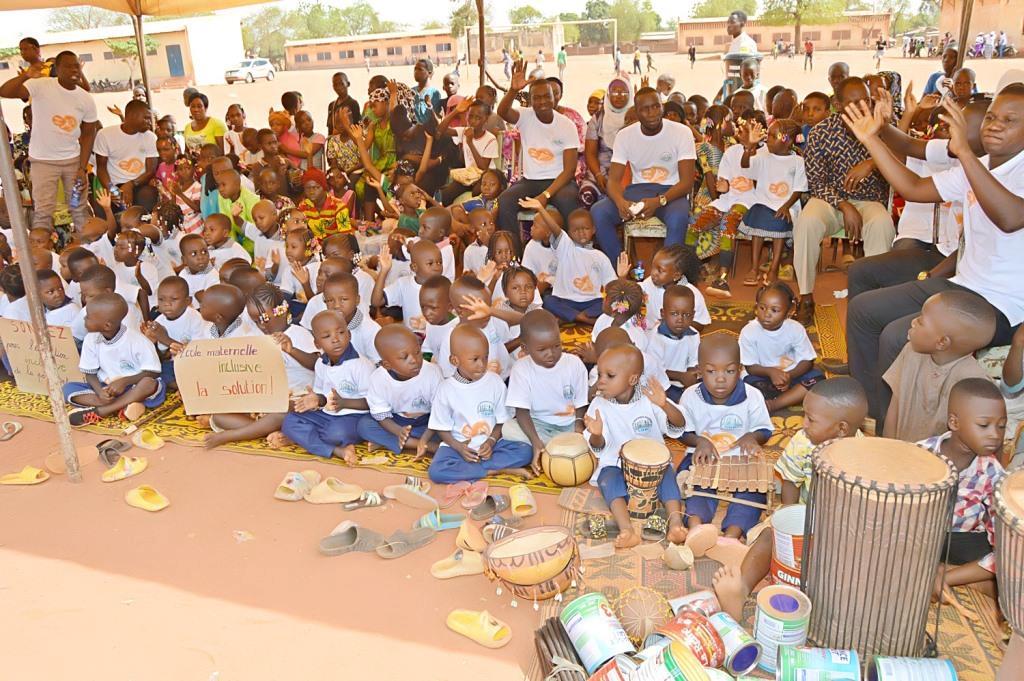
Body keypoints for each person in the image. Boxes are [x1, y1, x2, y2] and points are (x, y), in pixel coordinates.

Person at [844, 87, 1024, 431]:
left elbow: (1011, 217)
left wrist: (965, 155)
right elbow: (913, 187)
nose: (995, 125)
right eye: (992, 117)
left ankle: (889, 430)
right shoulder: (981, 165)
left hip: (1005, 305)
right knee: (864, 310)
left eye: (1010, 121)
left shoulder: (1000, 168)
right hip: (964, 285)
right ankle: (869, 413)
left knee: (899, 335)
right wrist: (872, 140)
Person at [712, 377, 868, 621]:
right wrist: (789, 515)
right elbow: (790, 481)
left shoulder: (864, 454)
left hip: (844, 527)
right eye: (804, 414)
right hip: (803, 515)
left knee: (859, 558)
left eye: (811, 419)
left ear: (842, 429)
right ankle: (740, 588)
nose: (803, 423)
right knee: (769, 536)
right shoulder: (803, 442)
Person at [792, 77, 895, 324]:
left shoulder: (882, 128)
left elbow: (901, 158)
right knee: (806, 223)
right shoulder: (820, 132)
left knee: (882, 224)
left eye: (865, 101)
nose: (861, 107)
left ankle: (872, 301)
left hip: (870, 201)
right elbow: (816, 183)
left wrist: (872, 162)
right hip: (830, 200)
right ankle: (806, 297)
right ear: (837, 104)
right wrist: (844, 205)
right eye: (852, 102)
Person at [586, 343, 687, 548]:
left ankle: (675, 524)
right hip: (615, 462)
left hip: (652, 467)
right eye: (599, 375)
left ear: (632, 379)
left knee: (667, 475)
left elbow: (679, 425)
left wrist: (665, 405)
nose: (601, 382)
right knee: (608, 479)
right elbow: (598, 446)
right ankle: (627, 530)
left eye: (610, 376)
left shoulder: (650, 399)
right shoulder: (599, 404)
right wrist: (596, 435)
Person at [679, 334, 772, 540]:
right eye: (711, 371)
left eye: (729, 371)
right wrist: (699, 441)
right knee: (695, 488)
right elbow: (682, 433)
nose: (720, 378)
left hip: (742, 459)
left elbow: (765, 430)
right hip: (704, 457)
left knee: (754, 492)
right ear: (699, 371)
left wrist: (752, 436)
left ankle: (732, 535)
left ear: (740, 371)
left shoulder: (752, 395)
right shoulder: (690, 396)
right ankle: (696, 529)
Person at [920, 378, 1006, 597]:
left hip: (962, 541)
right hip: (918, 535)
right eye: (984, 425)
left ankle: (944, 574)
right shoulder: (920, 455)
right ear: (954, 423)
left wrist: (945, 578)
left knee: (1009, 579)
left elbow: (1004, 550)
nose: (995, 435)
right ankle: (933, 570)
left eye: (1001, 426)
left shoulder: (994, 476)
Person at [591, 87, 696, 262]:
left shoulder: (681, 132)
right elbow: (613, 181)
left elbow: (686, 182)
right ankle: (620, 268)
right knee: (599, 211)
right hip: (637, 191)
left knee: (678, 217)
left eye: (656, 106)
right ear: (636, 112)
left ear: (662, 106)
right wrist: (620, 202)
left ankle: (668, 275)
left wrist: (659, 201)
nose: (652, 113)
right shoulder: (625, 136)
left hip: (672, 192)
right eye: (645, 109)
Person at [0, 50, 98, 231]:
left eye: (76, 66)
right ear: (57, 68)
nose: (74, 70)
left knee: (79, 209)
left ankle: (87, 249)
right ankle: (42, 255)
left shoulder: (86, 99)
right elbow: (4, 91)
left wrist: (82, 168)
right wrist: (25, 76)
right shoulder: (41, 85)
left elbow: (88, 135)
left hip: (73, 162)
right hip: (43, 162)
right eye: (68, 66)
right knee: (43, 212)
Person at [422, 324, 533, 482]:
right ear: (455, 360)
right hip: (459, 447)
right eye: (475, 359)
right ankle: (494, 470)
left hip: (492, 445)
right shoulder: (445, 390)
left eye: (485, 357)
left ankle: (474, 470)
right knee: (437, 471)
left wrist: (491, 441)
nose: (482, 365)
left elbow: (502, 422)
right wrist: (459, 447)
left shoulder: (495, 382)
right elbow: (441, 429)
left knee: (525, 451)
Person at [882, 291, 995, 440]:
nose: (913, 322)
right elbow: (895, 405)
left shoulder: (973, 383)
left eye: (921, 321)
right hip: (901, 452)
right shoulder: (911, 351)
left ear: (942, 342)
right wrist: (887, 446)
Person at [495, 61, 580, 246]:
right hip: (530, 181)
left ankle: (569, 249)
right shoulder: (525, 116)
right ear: (530, 100)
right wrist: (512, 90)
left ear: (554, 98)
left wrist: (545, 196)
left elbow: (569, 170)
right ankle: (515, 252)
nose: (542, 102)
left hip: (559, 182)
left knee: (567, 200)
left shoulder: (567, 125)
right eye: (537, 98)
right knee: (505, 200)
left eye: (546, 96)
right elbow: (502, 111)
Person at [281, 309, 373, 464]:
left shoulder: (361, 365)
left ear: (349, 334)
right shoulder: (320, 364)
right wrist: (315, 399)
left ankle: (311, 441)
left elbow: (372, 403)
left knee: (335, 434)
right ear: (317, 343)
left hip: (354, 415)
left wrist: (344, 403)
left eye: (341, 333)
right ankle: (338, 450)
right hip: (328, 415)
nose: (335, 339)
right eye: (327, 336)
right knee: (290, 422)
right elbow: (322, 398)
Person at [63, 292, 164, 426]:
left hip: (134, 386)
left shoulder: (137, 340)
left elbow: (154, 372)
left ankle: (103, 411)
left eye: (88, 317)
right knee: (67, 389)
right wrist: (100, 392)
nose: (84, 319)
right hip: (107, 389)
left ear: (107, 326)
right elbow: (90, 373)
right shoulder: (90, 339)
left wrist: (124, 381)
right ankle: (124, 405)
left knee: (149, 383)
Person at [503, 308, 589, 451]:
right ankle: (560, 448)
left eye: (556, 346)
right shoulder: (520, 369)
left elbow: (581, 403)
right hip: (537, 424)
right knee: (508, 428)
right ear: (525, 348)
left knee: (597, 430)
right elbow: (522, 412)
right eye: (542, 350)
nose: (551, 354)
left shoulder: (574, 364)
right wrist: (535, 441)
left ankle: (554, 448)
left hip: (570, 424)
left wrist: (579, 427)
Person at [357, 324, 442, 455]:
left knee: (447, 430)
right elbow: (382, 415)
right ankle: (425, 446)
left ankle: (391, 441)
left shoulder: (433, 373)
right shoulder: (378, 379)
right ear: (387, 365)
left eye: (417, 352)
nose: (414, 360)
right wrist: (398, 431)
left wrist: (426, 435)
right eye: (404, 357)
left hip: (426, 423)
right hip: (396, 422)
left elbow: (440, 413)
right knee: (364, 426)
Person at [739, 118, 806, 284]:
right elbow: (746, 166)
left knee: (780, 221)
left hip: (787, 204)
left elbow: (799, 188)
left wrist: (786, 206)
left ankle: (773, 269)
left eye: (771, 136)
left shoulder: (797, 161)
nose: (767, 139)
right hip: (764, 201)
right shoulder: (763, 156)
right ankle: (754, 267)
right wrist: (748, 149)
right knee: (758, 217)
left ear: (786, 140)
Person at [741, 282, 824, 412]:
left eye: (775, 310)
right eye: (762, 308)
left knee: (817, 379)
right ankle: (789, 396)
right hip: (762, 376)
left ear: (789, 311)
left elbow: (807, 361)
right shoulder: (749, 331)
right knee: (747, 387)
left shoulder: (795, 329)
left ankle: (774, 404)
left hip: (791, 374)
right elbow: (750, 367)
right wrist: (771, 372)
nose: (767, 314)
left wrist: (788, 376)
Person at [94, 100, 158, 210]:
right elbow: (101, 168)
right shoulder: (105, 135)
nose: (150, 122)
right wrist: (112, 190)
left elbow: (150, 171)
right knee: (101, 204)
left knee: (149, 194)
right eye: (146, 118)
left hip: (139, 183)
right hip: (112, 185)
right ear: (132, 116)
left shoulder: (150, 137)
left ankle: (144, 224)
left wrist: (131, 184)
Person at [581, 78, 631, 207]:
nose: (619, 96)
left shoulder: (635, 116)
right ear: (608, 95)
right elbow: (590, 153)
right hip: (600, 172)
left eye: (624, 93)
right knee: (587, 195)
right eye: (614, 92)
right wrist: (598, 175)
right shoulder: (597, 119)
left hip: (629, 173)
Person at [645, 284, 701, 402]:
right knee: (670, 402)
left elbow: (693, 362)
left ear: (693, 315)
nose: (680, 319)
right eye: (674, 313)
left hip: (684, 381)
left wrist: (692, 375)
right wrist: (681, 377)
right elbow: (654, 370)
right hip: (663, 384)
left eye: (686, 315)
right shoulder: (655, 338)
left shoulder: (694, 335)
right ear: (663, 313)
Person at [183, 92, 225, 158]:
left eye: (199, 106)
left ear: (205, 108)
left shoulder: (217, 124)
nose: (196, 110)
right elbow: (187, 152)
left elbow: (222, 152)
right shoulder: (187, 127)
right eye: (193, 106)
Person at [326, 72, 360, 136]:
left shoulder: (353, 103)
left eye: (341, 84)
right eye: (335, 84)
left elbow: (357, 127)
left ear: (348, 84)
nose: (338, 87)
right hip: (334, 143)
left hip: (349, 143)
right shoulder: (331, 105)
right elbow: (330, 129)